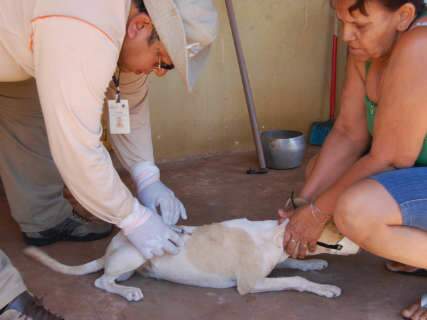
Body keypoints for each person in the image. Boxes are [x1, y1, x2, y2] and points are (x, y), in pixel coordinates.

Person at [0, 0, 218, 318]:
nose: (158, 73)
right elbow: (78, 149)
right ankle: (7, 300)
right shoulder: (84, 26)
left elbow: (128, 101)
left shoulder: (125, 25)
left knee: (24, 107)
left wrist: (147, 176)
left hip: (12, 39)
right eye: (162, 61)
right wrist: (132, 217)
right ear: (141, 25)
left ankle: (44, 220)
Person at [278, 0, 427, 318]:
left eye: (359, 25)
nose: (346, 35)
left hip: (403, 163)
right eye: (342, 21)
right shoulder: (369, 53)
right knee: (320, 172)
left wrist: (316, 213)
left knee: (356, 209)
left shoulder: (420, 44)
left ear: (404, 16)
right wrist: (304, 201)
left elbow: (390, 157)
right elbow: (348, 133)